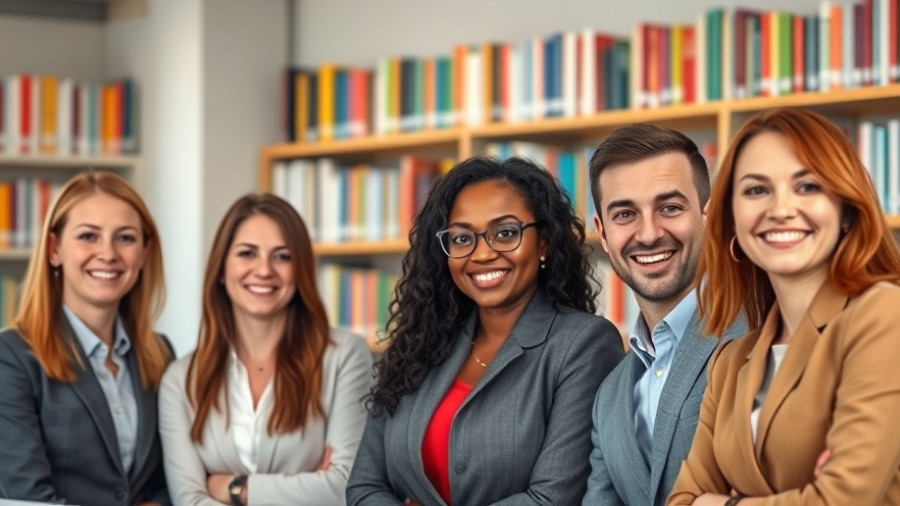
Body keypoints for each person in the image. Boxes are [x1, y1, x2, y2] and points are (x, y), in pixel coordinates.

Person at [346, 156, 623, 505]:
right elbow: (364, 487)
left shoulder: (583, 345)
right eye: (462, 238)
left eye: (505, 233)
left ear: (544, 243)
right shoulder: (417, 343)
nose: (481, 254)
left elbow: (551, 499)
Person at [667, 107, 900, 506]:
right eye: (757, 190)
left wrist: (727, 501)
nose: (780, 209)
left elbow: (843, 499)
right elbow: (682, 500)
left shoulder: (883, 315)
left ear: (845, 210)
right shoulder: (728, 362)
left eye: (807, 186)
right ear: (731, 219)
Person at [159, 193, 373, 506]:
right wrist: (308, 487)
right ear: (221, 269)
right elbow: (189, 500)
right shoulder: (181, 380)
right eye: (247, 253)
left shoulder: (345, 357)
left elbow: (344, 487)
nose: (263, 270)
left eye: (282, 256)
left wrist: (233, 488)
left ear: (300, 271)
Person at [582, 124, 747, 506]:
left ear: (709, 216)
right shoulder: (608, 397)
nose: (650, 233)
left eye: (670, 208)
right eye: (624, 214)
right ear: (603, 234)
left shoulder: (764, 333)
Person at [0, 171, 171, 505]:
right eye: (88, 236)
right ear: (54, 249)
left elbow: (172, 483)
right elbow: (28, 498)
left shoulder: (160, 354)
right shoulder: (11, 359)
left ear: (144, 254)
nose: (108, 253)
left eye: (125, 238)